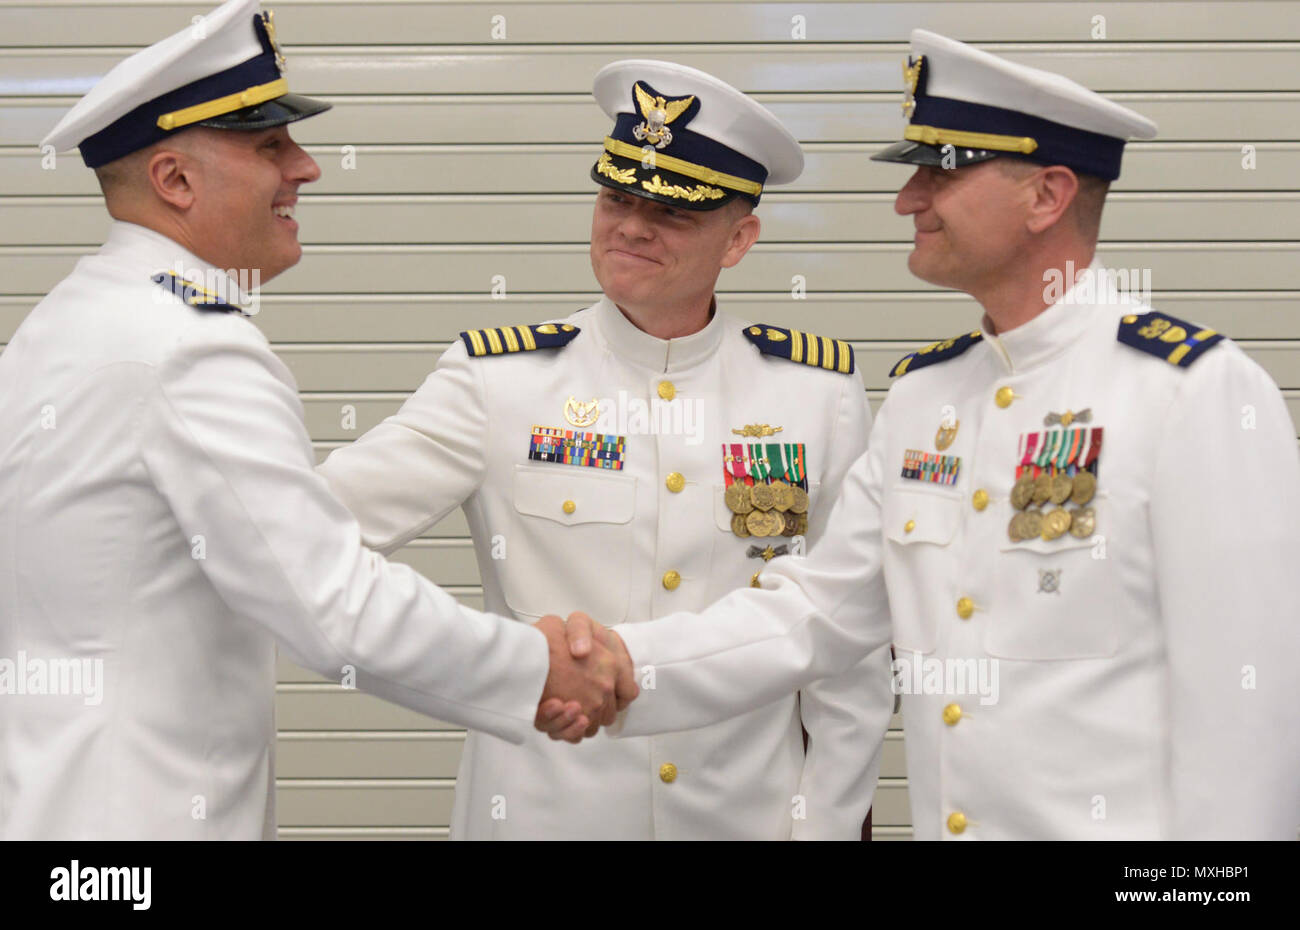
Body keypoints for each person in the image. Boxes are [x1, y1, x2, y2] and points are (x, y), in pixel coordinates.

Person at [591, 29, 1300, 839]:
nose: (908, 200)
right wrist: (615, 665)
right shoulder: (928, 398)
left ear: (1048, 195)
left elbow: (1251, 714)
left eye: (942, 172)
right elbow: (814, 614)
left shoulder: (1190, 392)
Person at [0, 0, 631, 841]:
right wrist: (538, 667)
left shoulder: (72, 319)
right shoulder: (187, 350)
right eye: (270, 146)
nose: (307, 169)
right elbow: (331, 606)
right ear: (175, 180)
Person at [318, 60, 895, 840]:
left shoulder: (814, 392)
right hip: (544, 815)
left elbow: (850, 651)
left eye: (671, 211)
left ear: (739, 239)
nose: (631, 225)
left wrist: (824, 825)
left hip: (744, 818)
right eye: (617, 197)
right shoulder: (500, 380)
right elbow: (312, 537)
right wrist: (475, 667)